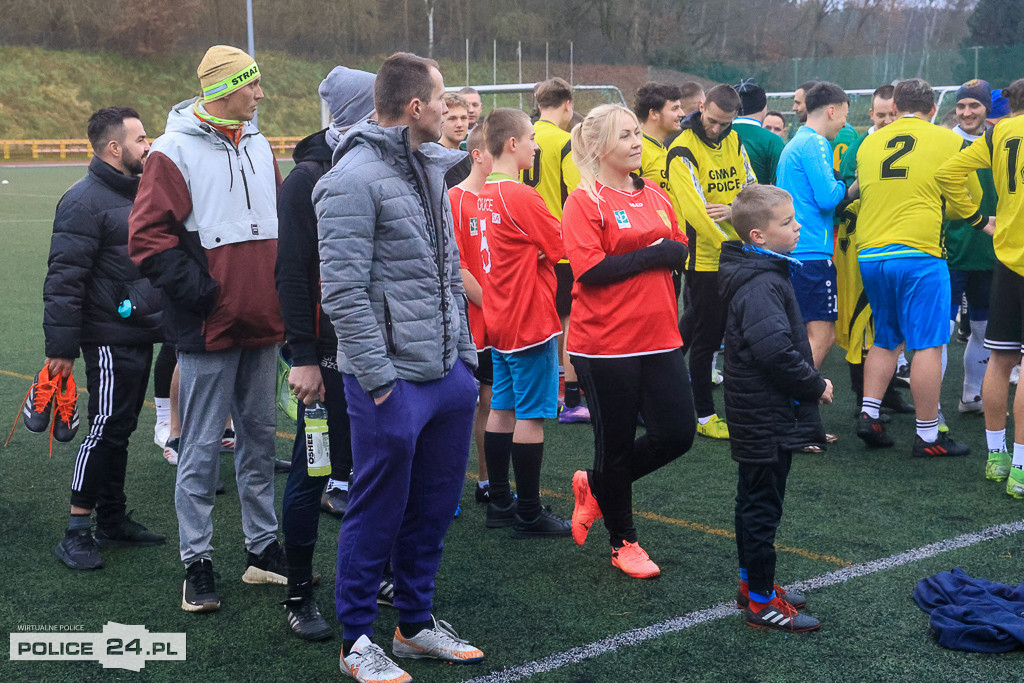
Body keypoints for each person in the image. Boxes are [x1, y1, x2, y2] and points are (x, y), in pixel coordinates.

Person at [314, 52, 483, 682]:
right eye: (443, 99)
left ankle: (414, 624)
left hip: (446, 375)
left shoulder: (430, 169)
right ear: (416, 107)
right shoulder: (351, 179)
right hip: (390, 383)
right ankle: (356, 639)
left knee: (435, 505)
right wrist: (381, 382)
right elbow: (342, 295)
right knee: (377, 507)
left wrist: (463, 359)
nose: (454, 110)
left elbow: (444, 271)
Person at [129, 45, 287, 612]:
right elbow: (147, 240)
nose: (260, 95)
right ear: (224, 88)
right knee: (198, 448)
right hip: (208, 326)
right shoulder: (171, 151)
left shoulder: (263, 145)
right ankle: (196, 563)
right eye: (252, 85)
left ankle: (262, 552)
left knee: (261, 440)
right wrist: (207, 295)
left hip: (263, 323)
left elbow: (275, 230)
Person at [561, 104, 695, 578]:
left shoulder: (656, 192)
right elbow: (591, 270)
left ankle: (596, 488)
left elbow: (681, 247)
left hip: (660, 336)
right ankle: (624, 543)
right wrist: (653, 253)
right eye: (625, 136)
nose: (637, 142)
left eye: (638, 133)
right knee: (614, 446)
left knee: (678, 434)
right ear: (599, 148)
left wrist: (657, 253)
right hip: (605, 345)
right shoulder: (584, 201)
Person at [274, 65, 375, 640]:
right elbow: (290, 274)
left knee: (377, 470)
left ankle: (375, 575)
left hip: (380, 356)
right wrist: (303, 355)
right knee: (314, 471)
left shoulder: (388, 165)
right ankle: (298, 589)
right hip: (329, 357)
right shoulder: (307, 178)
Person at [42, 106, 165, 570]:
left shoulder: (140, 193)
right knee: (106, 427)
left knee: (121, 428)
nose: (148, 144)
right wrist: (61, 350)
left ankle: (112, 518)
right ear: (114, 148)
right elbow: (64, 280)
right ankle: (77, 528)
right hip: (109, 336)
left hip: (138, 330)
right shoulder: (82, 200)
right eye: (140, 139)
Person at [720, 183, 832, 633]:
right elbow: (775, 353)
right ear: (758, 237)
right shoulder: (762, 283)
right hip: (763, 414)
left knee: (754, 499)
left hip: (759, 413)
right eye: (787, 222)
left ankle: (753, 585)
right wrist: (814, 384)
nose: (798, 226)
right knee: (762, 505)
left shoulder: (765, 273)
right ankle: (762, 601)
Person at [853, 78, 982, 457]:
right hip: (918, 251)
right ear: (933, 110)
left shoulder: (870, 140)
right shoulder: (948, 140)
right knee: (927, 343)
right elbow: (964, 202)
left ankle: (870, 413)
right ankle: (928, 435)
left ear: (893, 108)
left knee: (885, 336)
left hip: (871, 252)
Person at [479, 107, 572, 538]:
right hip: (528, 318)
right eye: (532, 138)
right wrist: (540, 251)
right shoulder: (521, 195)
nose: (536, 145)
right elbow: (560, 245)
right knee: (530, 416)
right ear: (512, 144)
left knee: (501, 407)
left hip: (497, 316)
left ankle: (500, 501)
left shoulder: (482, 193)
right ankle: (530, 513)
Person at [936, 78, 1024, 498]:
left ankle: (996, 457)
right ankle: (1021, 469)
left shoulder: (998, 133)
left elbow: (947, 172)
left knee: (1001, 359)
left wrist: (977, 220)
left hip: (1006, 260)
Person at [667, 83, 756, 440]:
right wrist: (732, 240)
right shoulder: (683, 149)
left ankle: (659, 386)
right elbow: (696, 213)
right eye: (712, 120)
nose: (716, 128)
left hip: (734, 253)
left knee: (690, 329)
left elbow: (750, 188)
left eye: (725, 123)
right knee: (708, 337)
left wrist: (735, 211)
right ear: (702, 107)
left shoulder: (734, 140)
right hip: (705, 258)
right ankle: (704, 415)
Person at [521, 78, 587, 423]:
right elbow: (579, 194)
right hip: (560, 246)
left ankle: (545, 390)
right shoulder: (566, 142)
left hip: (524, 245)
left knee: (540, 319)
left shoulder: (522, 136)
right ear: (567, 104)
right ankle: (570, 397)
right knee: (568, 319)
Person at [777, 82, 851, 371]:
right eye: (844, 115)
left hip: (796, 251)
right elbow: (827, 197)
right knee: (822, 334)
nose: (845, 123)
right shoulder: (815, 142)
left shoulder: (795, 142)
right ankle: (798, 401)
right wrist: (849, 184)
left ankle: (792, 401)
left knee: (802, 334)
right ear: (832, 111)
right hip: (811, 255)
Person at [945, 79, 998, 416]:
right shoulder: (945, 142)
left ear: (986, 109)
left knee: (983, 328)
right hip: (949, 249)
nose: (966, 112)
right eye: (962, 106)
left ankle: (970, 396)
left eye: (973, 106)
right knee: (943, 329)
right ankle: (930, 408)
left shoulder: (1001, 142)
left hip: (991, 251)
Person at [450, 123, 494, 505]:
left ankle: (489, 480)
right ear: (478, 154)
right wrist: (496, 308)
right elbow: (460, 269)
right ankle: (456, 486)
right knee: (468, 403)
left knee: (496, 399)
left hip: (505, 322)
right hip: (472, 323)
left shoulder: (511, 196)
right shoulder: (454, 199)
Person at [838, 85, 896, 186]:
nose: (887, 121)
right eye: (881, 115)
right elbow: (847, 196)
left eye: (892, 114)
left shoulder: (915, 143)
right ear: (871, 114)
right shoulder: (854, 152)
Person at [732, 79, 785, 185]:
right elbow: (779, 185)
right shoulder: (773, 141)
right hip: (760, 200)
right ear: (764, 107)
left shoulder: (719, 134)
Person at [634, 82, 683, 191]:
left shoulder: (662, 148)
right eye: (675, 108)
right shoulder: (637, 150)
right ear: (654, 114)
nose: (682, 113)